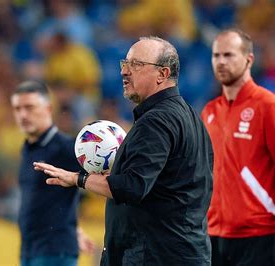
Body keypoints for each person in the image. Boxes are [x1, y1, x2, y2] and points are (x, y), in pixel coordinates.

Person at [34, 36, 214, 265]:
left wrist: (77, 179)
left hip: (156, 256)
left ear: (163, 74)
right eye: (125, 64)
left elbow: (132, 187)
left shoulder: (157, 122)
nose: (124, 72)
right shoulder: (190, 118)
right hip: (180, 252)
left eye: (136, 65)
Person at [200, 28, 275, 266]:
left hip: (260, 234)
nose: (221, 62)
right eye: (216, 56)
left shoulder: (269, 106)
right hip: (213, 233)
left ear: (249, 59)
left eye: (229, 55)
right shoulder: (209, 112)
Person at [11, 80, 95, 266]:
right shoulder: (28, 149)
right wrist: (76, 231)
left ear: (48, 109)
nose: (23, 115)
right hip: (29, 250)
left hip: (55, 251)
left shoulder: (67, 148)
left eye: (29, 107)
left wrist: (70, 232)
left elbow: (99, 178)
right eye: (17, 109)